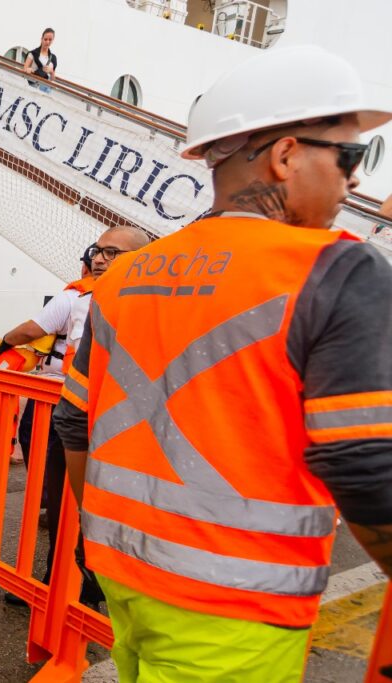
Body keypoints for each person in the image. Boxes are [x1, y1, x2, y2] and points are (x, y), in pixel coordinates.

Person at [54, 45, 392, 682]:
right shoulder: (338, 271)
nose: (356, 181)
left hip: (122, 577)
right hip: (237, 609)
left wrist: (100, 548)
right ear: (286, 154)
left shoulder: (124, 276)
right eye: (349, 156)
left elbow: (75, 424)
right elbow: (367, 466)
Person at [0, 227, 149, 606]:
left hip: (120, 425)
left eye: (112, 253)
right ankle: (61, 581)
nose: (99, 259)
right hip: (70, 416)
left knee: (102, 506)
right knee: (64, 500)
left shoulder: (157, 305)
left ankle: (94, 582)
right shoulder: (79, 296)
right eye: (98, 251)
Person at [23, 28, 57, 93]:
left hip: (46, 89)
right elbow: (24, 70)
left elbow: (53, 79)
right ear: (41, 39)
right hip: (33, 86)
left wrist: (51, 71)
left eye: (50, 40)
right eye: (45, 39)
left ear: (53, 40)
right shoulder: (32, 53)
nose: (47, 42)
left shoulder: (53, 58)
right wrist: (29, 70)